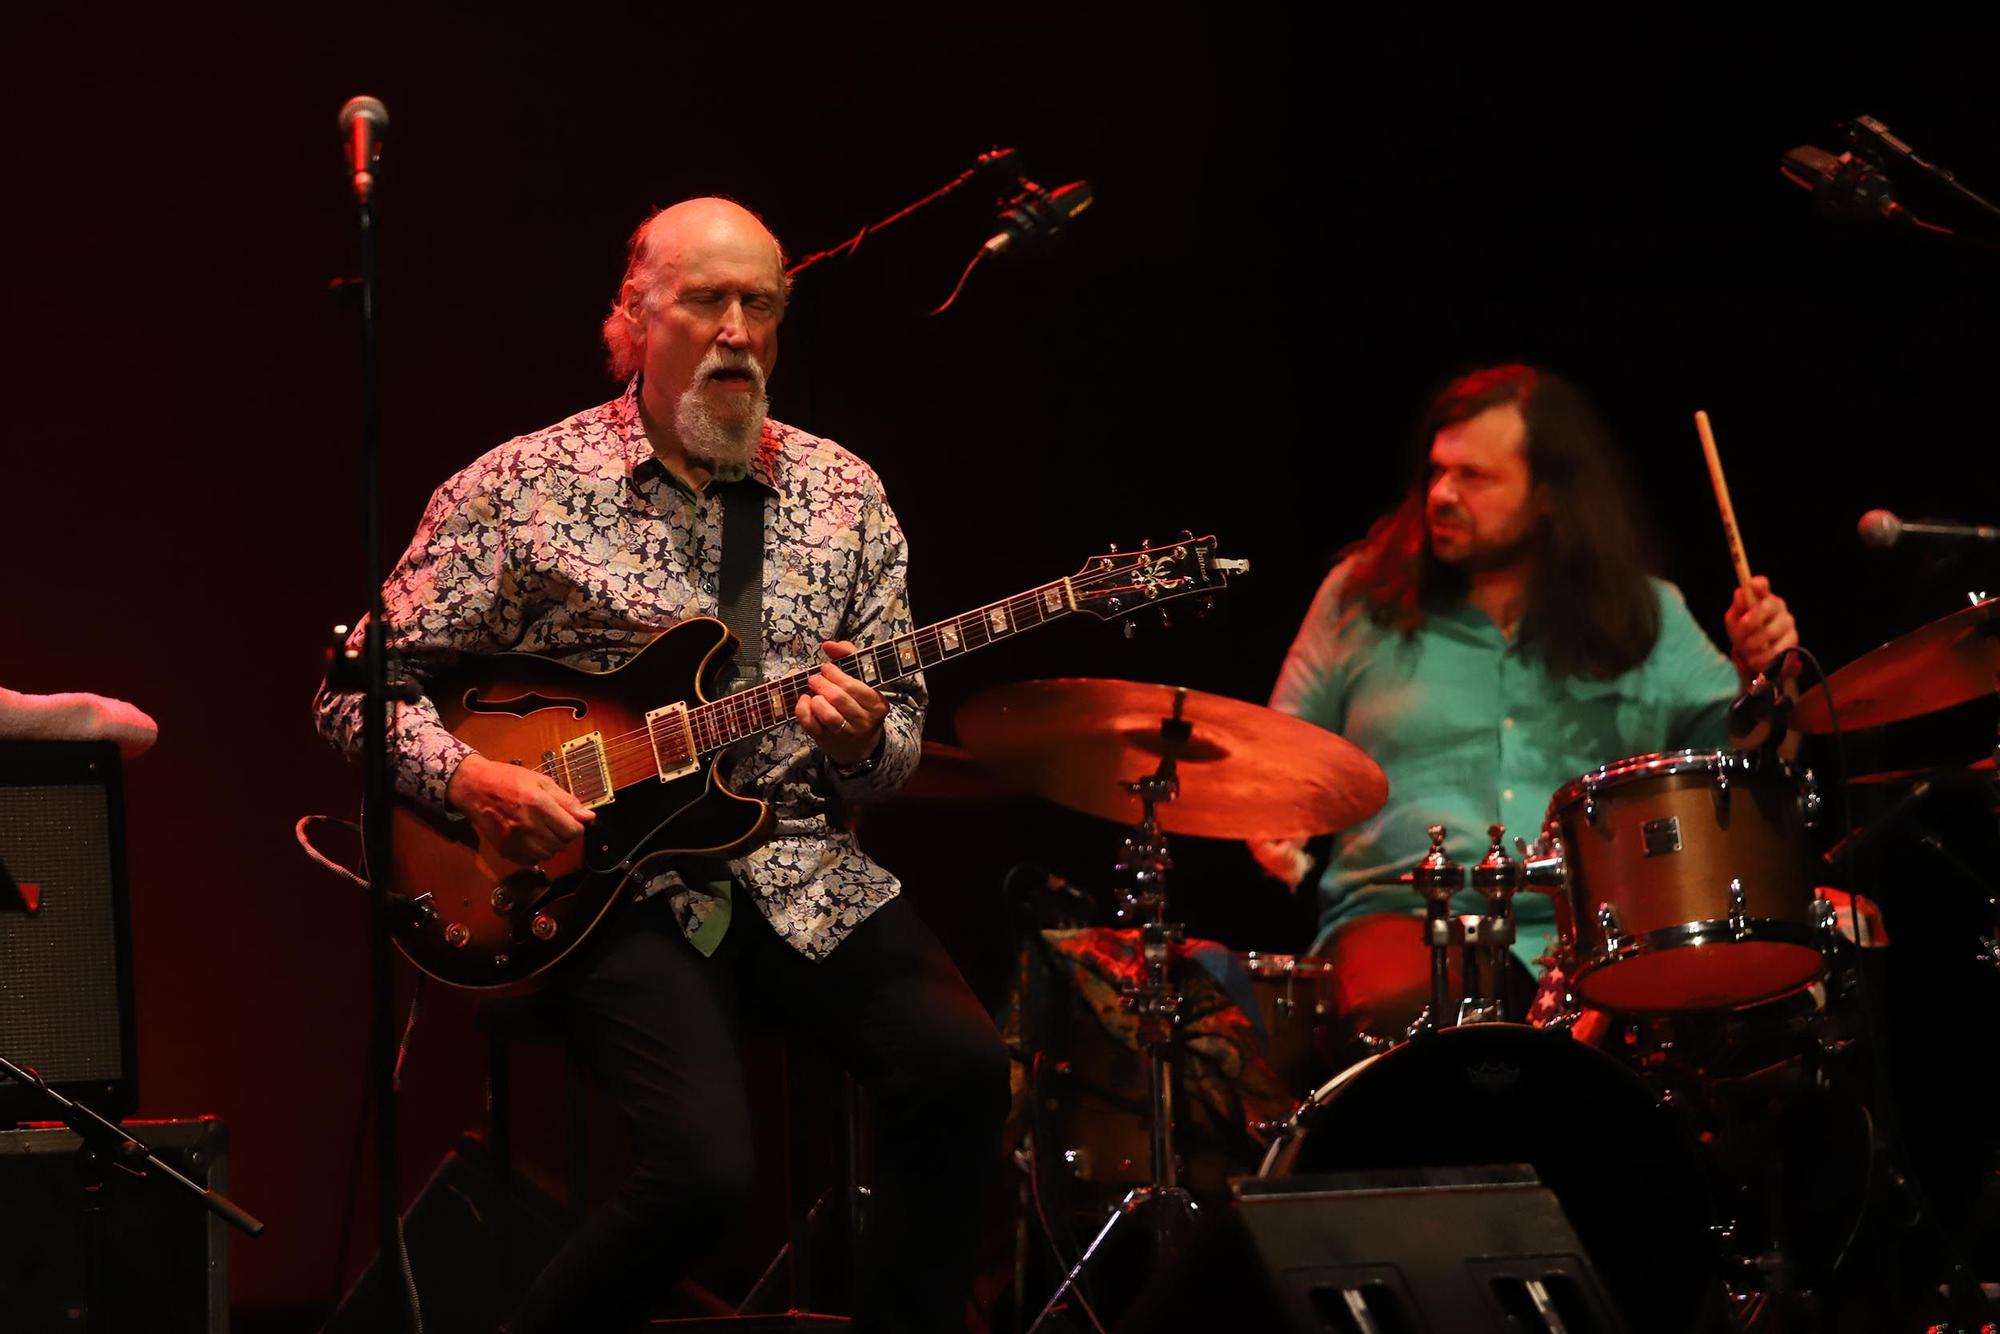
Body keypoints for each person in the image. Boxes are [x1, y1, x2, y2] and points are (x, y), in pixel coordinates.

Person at [314, 198, 1009, 1333]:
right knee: (702, 1174)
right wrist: (469, 781)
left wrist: (858, 737)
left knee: (965, 1069)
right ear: (633, 323)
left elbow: (892, 753)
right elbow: (352, 686)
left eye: (762, 305)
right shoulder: (522, 486)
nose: (737, 329)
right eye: (706, 301)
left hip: (791, 863)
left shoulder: (844, 496)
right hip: (603, 885)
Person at [1251, 364, 1798, 975]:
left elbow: (1741, 774)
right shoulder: (1357, 600)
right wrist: (1274, 815)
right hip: (1399, 937)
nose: (1441, 494)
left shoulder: (1646, 615)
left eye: (1473, 477)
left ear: (1546, 495)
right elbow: (1273, 759)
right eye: (1437, 471)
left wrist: (1765, 681)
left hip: (1593, 952)